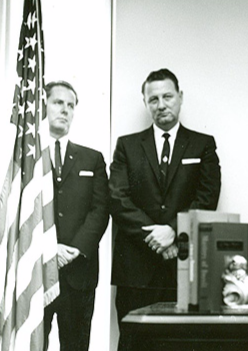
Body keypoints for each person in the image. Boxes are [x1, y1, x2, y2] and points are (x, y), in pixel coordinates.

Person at [109, 68, 221, 350]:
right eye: (154, 99)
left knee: (183, 345)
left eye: (167, 96)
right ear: (146, 103)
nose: (161, 105)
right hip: (135, 271)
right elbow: (117, 198)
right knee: (134, 345)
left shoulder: (203, 145)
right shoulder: (127, 146)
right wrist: (156, 237)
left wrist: (173, 231)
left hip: (185, 266)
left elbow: (207, 198)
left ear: (180, 97)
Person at [43, 81, 110, 351]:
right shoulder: (27, 157)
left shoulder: (91, 159)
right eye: (58, 103)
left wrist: (73, 249)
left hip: (78, 272)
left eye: (71, 105)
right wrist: (50, 249)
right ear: (43, 105)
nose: (65, 110)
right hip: (37, 272)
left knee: (76, 347)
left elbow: (100, 209)